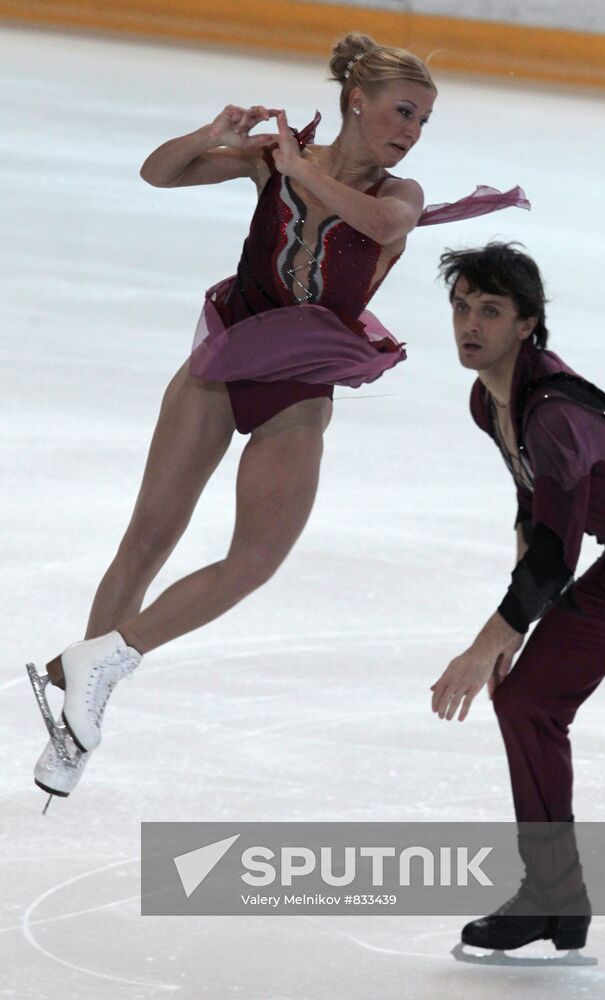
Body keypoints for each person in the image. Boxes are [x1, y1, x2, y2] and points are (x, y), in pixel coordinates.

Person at [29, 35, 529, 802]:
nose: (411, 130)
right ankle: (74, 726)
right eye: (403, 111)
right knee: (147, 539)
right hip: (227, 354)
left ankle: (108, 655)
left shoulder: (400, 192)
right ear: (355, 102)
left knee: (255, 560)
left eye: (424, 120)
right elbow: (157, 172)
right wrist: (213, 137)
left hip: (298, 379)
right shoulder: (276, 159)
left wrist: (300, 169)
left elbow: (385, 227)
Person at [430, 242, 605, 957]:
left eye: (490, 310)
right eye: (460, 307)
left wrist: (485, 641)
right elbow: (535, 514)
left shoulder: (551, 413)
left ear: (526, 324)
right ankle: (552, 894)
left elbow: (555, 555)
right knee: (525, 701)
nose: (469, 324)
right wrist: (512, 636)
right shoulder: (488, 402)